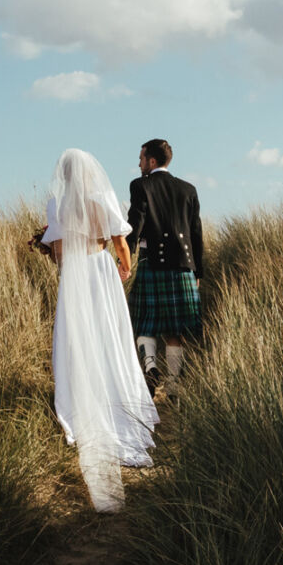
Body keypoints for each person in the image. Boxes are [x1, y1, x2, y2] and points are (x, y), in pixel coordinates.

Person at [40, 148, 158, 511]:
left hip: (75, 274)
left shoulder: (57, 205)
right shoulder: (102, 197)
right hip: (100, 271)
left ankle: (80, 401)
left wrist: (47, 247)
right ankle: (118, 397)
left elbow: (59, 252)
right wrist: (123, 267)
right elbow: (120, 240)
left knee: (78, 338)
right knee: (109, 336)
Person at [126, 138, 204, 392]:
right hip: (183, 266)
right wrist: (198, 270)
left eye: (141, 159)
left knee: (145, 323)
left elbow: (135, 222)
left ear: (151, 160)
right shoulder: (188, 189)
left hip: (153, 263)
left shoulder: (141, 185)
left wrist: (125, 255)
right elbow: (196, 233)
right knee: (175, 331)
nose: (139, 164)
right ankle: (172, 387)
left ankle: (151, 369)